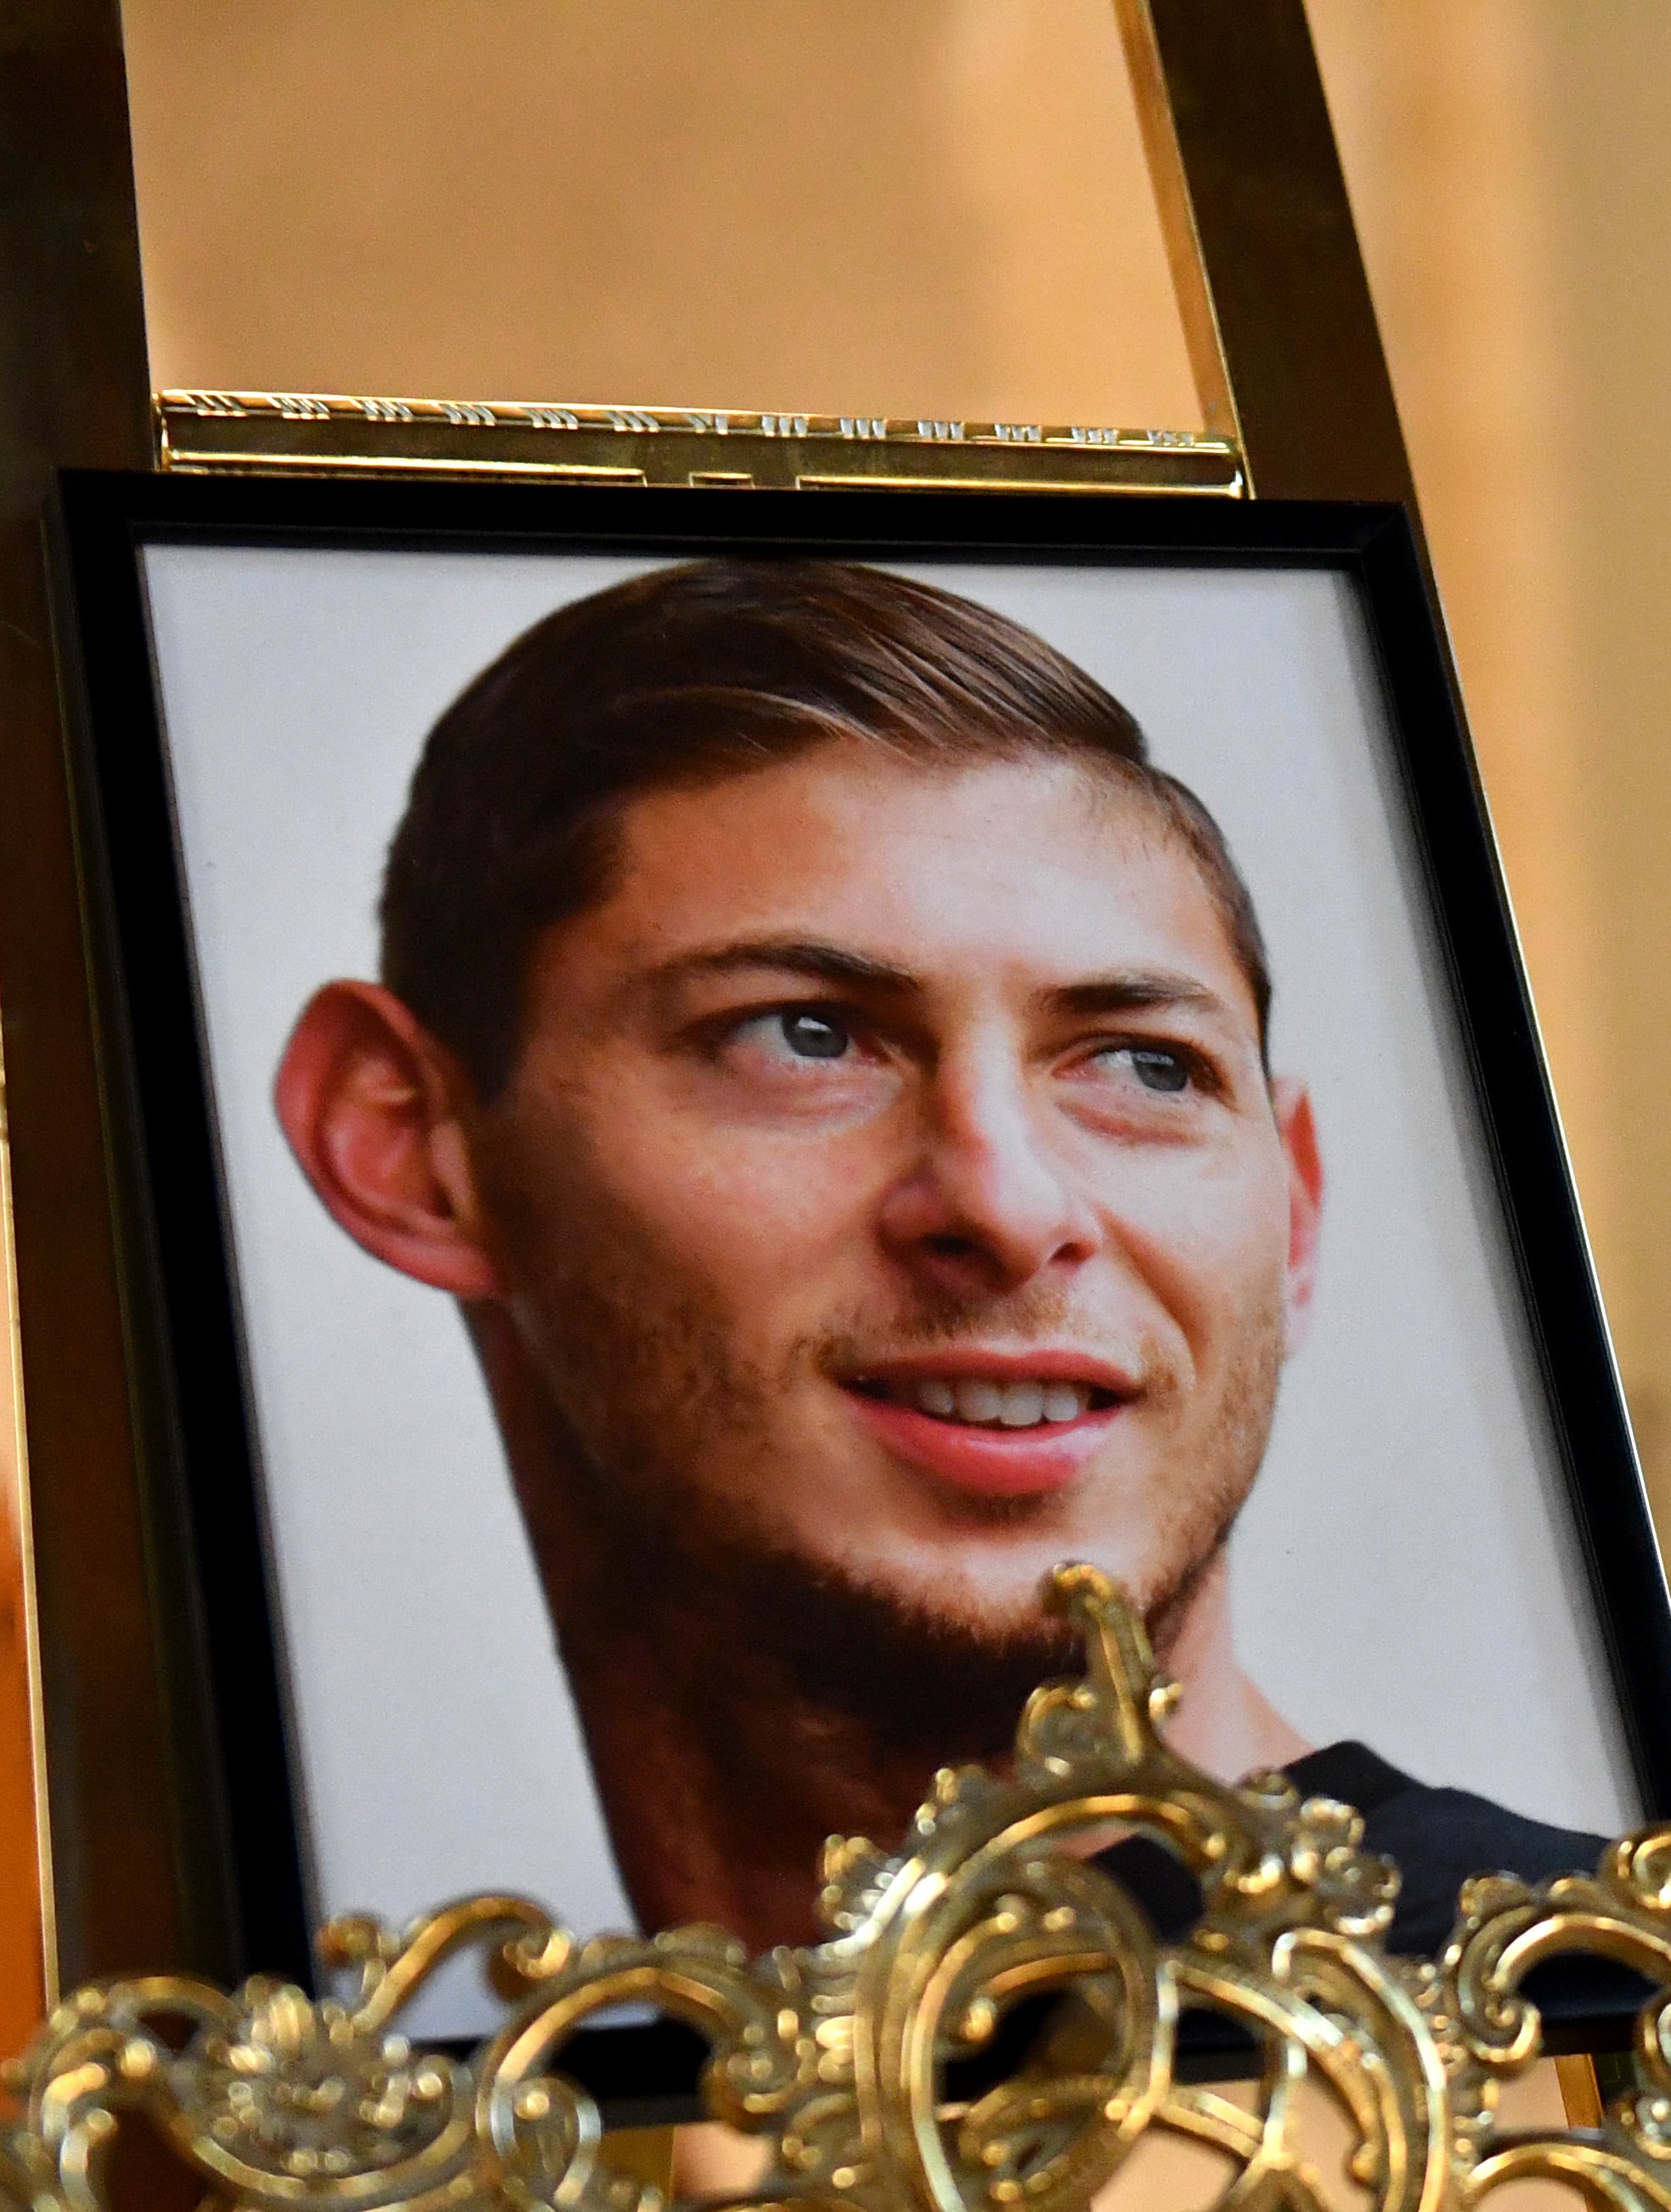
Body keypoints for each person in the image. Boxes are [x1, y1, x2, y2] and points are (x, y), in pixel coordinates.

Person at [272, 556, 1602, 1956]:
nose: (1009, 1207)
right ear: (409, 1143)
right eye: (802, 1035)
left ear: (1297, 1209)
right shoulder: (398, 2110)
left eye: (1147, 1067)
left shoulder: (1612, 2034)